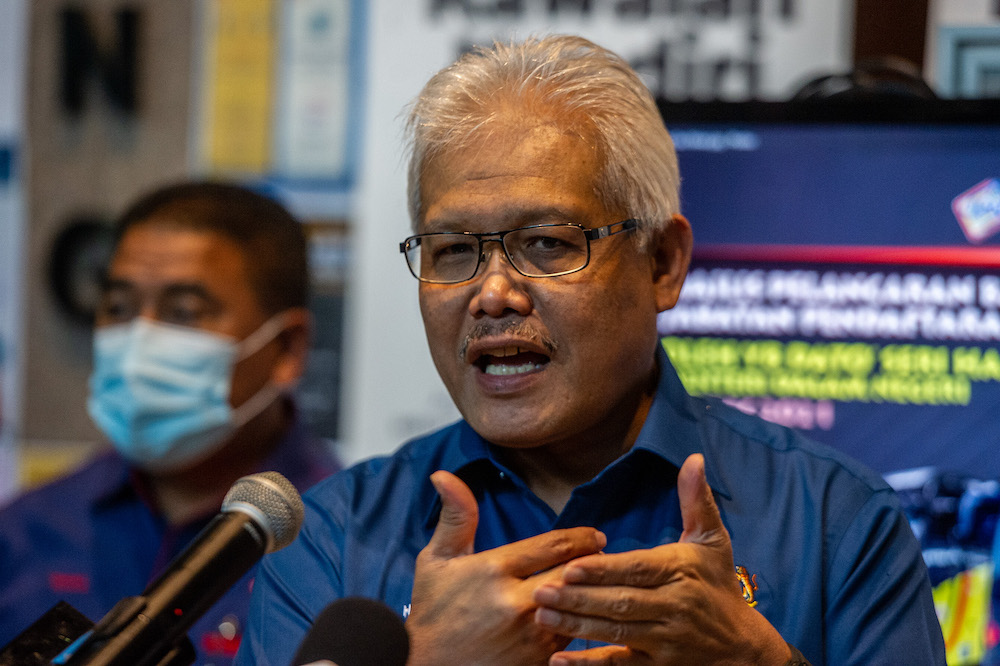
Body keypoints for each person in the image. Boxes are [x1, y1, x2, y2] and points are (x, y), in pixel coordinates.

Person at [236, 36, 946, 665]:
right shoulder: (332, 543)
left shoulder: (835, 523)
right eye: (452, 251)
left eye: (546, 244)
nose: (491, 294)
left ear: (663, 263)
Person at [0, 181, 339, 664]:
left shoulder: (349, 545)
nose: (140, 339)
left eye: (183, 311)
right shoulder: (26, 533)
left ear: (287, 350)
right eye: (119, 307)